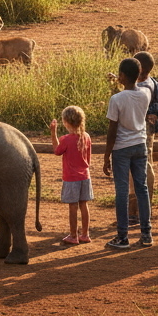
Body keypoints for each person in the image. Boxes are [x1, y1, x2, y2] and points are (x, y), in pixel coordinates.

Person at [103, 57, 153, 250]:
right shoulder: (145, 94)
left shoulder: (116, 99)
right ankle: (146, 234)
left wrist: (107, 155)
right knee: (142, 189)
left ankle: (123, 236)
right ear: (138, 74)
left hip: (122, 149)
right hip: (140, 145)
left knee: (122, 192)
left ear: (121, 76)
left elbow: (112, 131)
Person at [128, 51, 158, 227]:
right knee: (142, 166)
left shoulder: (142, 89)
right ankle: (139, 211)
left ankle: (138, 211)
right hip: (145, 132)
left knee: (140, 168)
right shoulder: (149, 84)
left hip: (139, 131)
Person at [50, 105, 93, 245]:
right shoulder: (86, 137)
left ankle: (73, 235)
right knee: (84, 205)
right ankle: (85, 234)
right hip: (85, 176)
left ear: (66, 122)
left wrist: (53, 132)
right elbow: (88, 158)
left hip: (71, 178)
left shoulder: (66, 139)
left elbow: (57, 151)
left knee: (73, 207)